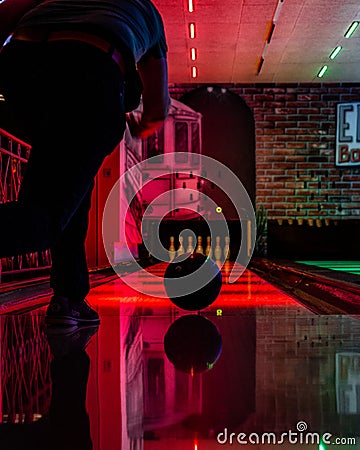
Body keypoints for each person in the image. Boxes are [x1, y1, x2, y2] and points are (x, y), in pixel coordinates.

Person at [0, 0, 170, 326]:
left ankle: (69, 297)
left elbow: (5, 13)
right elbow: (158, 108)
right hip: (91, 69)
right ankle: (69, 296)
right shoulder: (146, 12)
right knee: (45, 222)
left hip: (21, 69)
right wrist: (140, 125)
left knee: (65, 190)